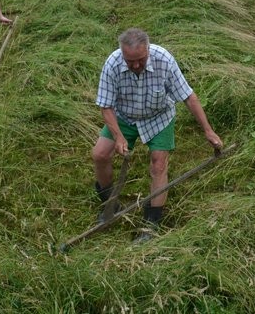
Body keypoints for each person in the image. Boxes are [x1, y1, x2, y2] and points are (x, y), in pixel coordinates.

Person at [92, 28, 223, 243]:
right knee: (99, 154)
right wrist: (118, 137)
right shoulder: (112, 64)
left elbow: (189, 97)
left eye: (140, 60)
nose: (135, 65)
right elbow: (106, 106)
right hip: (124, 117)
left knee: (158, 165)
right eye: (129, 61)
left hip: (158, 117)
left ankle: (152, 221)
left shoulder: (164, 60)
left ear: (148, 51)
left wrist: (208, 130)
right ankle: (110, 204)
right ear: (122, 53)